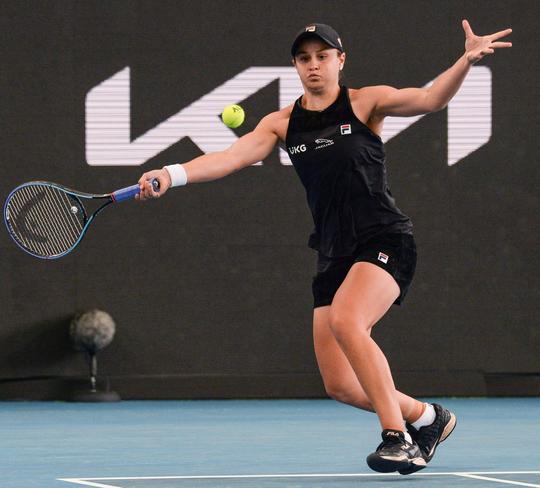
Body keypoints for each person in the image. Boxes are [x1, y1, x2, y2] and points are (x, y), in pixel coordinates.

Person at [137, 20, 512, 474]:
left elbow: (429, 99)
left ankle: (398, 438)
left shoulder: (365, 102)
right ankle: (429, 418)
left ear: (340, 60)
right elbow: (229, 158)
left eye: (322, 56)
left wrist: (465, 61)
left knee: (347, 320)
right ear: (296, 66)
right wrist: (171, 174)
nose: (313, 65)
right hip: (333, 253)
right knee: (340, 385)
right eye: (304, 58)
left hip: (384, 237)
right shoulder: (281, 123)